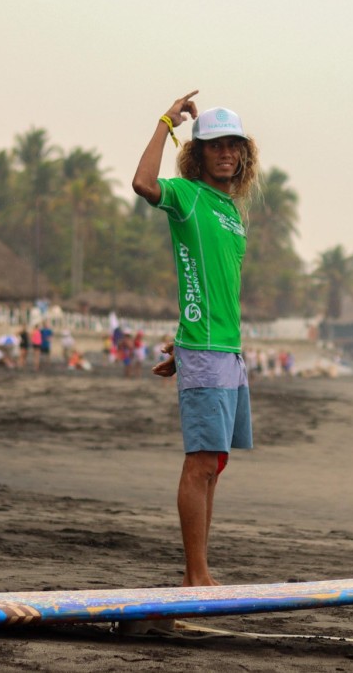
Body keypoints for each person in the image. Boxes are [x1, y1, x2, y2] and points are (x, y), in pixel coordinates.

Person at [132, 91, 259, 587]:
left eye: (233, 145)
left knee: (216, 464)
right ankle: (197, 576)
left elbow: (210, 285)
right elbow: (142, 183)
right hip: (207, 350)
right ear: (198, 153)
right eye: (214, 145)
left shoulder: (231, 211)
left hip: (225, 350)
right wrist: (166, 120)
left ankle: (198, 576)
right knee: (200, 462)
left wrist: (180, 342)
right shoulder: (187, 196)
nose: (225, 153)